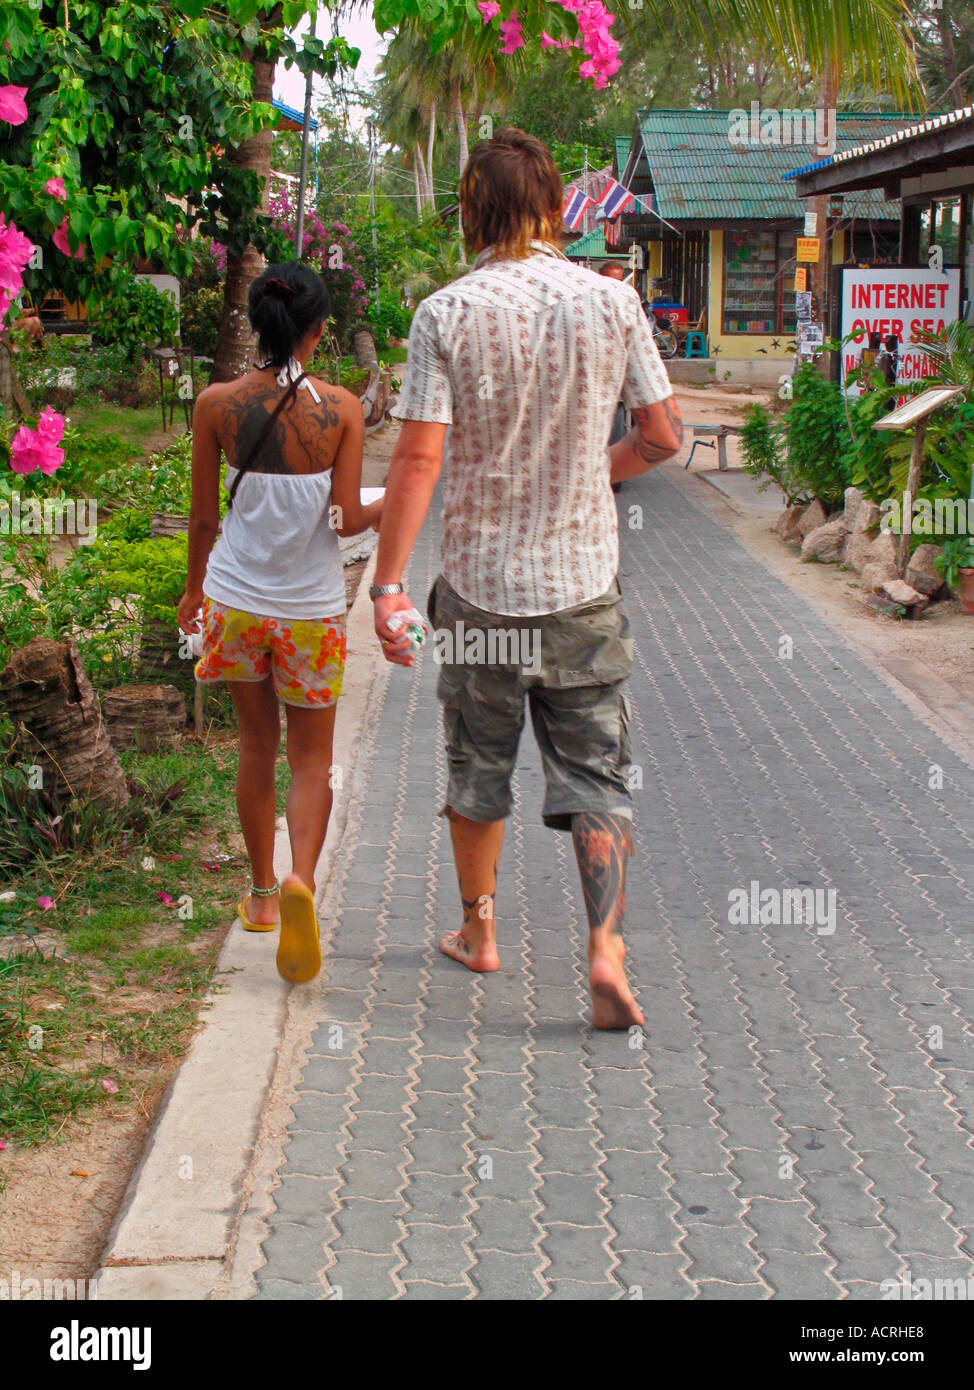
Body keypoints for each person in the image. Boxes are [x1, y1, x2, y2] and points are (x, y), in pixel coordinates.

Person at [372, 128, 683, 1030]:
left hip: (478, 595)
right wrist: (596, 470)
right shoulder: (612, 301)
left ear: (471, 209)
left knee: (478, 772)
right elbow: (663, 436)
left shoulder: (444, 314)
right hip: (584, 588)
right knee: (598, 779)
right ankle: (606, 953)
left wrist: (389, 584)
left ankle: (480, 934)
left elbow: (420, 461)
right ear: (555, 207)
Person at [176, 263, 382, 985]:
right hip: (312, 612)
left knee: (256, 749)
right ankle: (301, 880)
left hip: (234, 601)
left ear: (261, 325)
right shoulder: (346, 409)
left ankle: (263, 898)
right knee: (312, 761)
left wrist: (192, 591)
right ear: (319, 332)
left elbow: (205, 517)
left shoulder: (214, 404)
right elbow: (350, 518)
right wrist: (403, 500)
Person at [599, 262, 631, 491]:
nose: (614, 284)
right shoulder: (590, 300)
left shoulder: (629, 301)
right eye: (610, 278)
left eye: (618, 279)